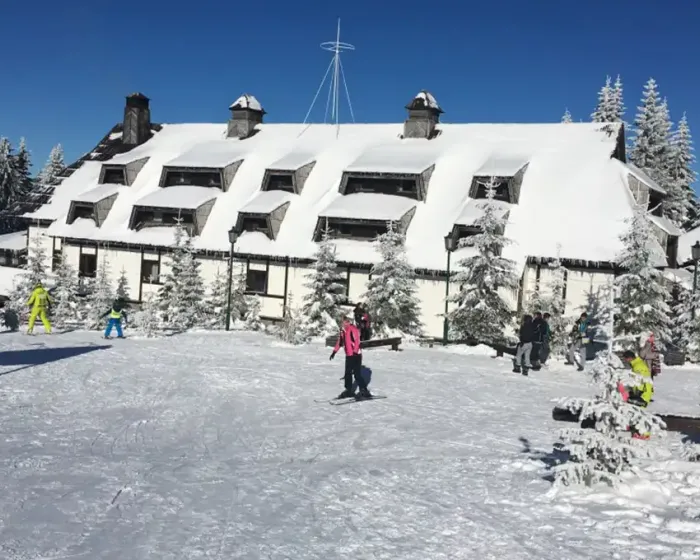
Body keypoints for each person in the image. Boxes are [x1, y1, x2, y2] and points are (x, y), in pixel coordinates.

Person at [331, 315, 371, 399]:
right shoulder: (343, 331)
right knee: (347, 373)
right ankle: (348, 390)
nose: (341, 323)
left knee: (357, 374)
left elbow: (357, 341)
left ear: (347, 321)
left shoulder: (353, 329)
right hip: (349, 355)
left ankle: (364, 390)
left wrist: (355, 351)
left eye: (343, 321)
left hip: (356, 355)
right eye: (341, 322)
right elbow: (340, 342)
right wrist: (334, 351)